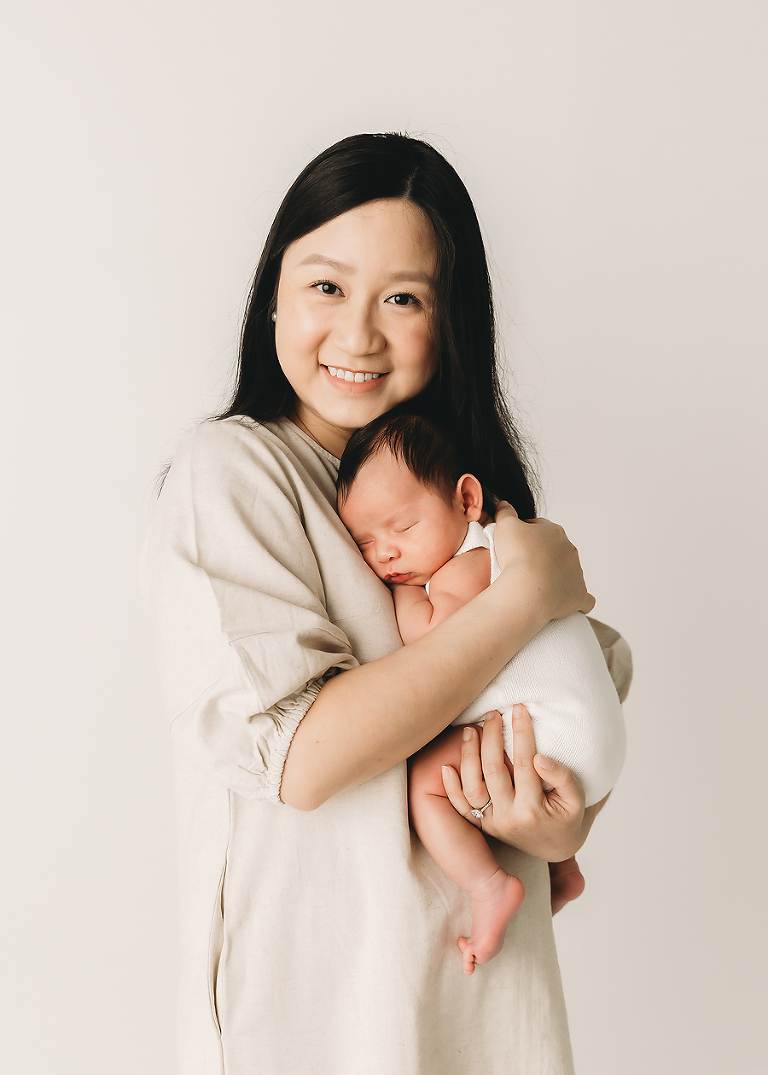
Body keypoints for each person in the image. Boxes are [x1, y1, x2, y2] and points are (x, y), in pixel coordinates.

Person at [140, 132, 631, 1075]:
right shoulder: (233, 471)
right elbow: (301, 758)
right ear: (273, 293)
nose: (359, 335)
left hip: (488, 1001)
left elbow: (575, 718)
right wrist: (521, 598)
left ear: (451, 323)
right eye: (327, 285)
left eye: (403, 298)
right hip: (320, 1018)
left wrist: (564, 825)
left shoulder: (471, 505)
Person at [336, 412, 627, 975]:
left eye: (403, 527)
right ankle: (563, 867)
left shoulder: (469, 566)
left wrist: (399, 596)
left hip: (558, 739)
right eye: (365, 543)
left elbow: (428, 637)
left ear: (466, 500)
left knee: (427, 784)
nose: (384, 554)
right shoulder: (501, 547)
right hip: (588, 739)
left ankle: (490, 887)